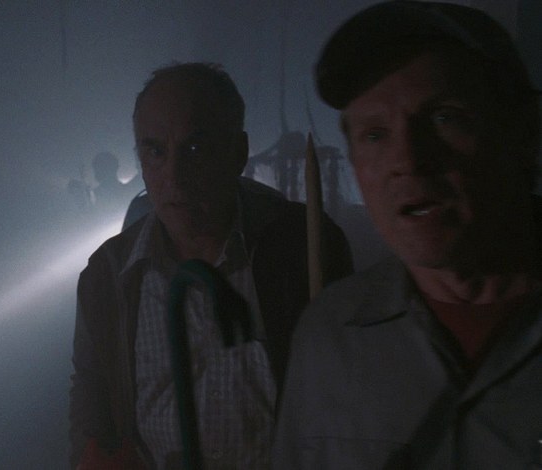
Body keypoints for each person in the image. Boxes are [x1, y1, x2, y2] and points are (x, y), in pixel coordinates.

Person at [272, 2, 542, 468]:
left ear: (526, 131)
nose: (409, 160)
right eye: (375, 135)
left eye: (444, 117)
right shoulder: (330, 334)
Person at [70, 62, 353, 469]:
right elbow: (91, 399)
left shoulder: (303, 247)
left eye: (195, 149)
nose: (174, 177)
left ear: (238, 153)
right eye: (155, 152)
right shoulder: (109, 275)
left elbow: (349, 394)